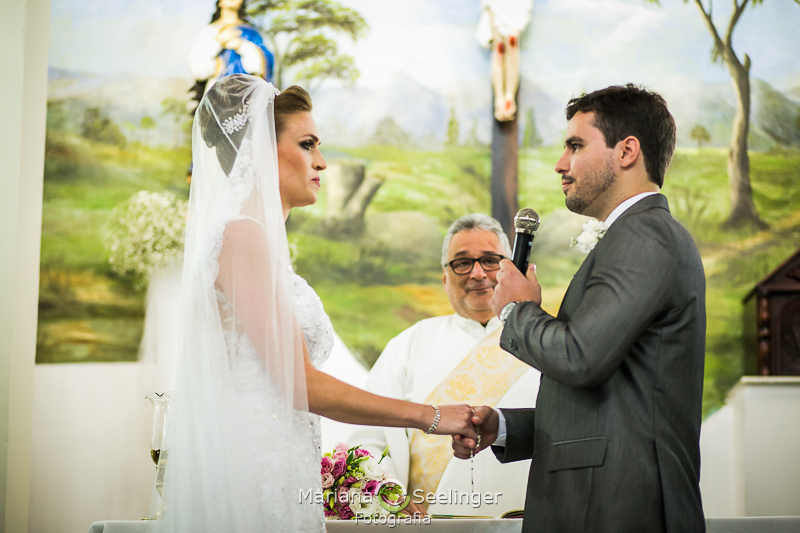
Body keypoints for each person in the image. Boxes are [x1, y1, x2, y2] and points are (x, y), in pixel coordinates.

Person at [156, 74, 477, 532]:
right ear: (263, 149)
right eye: (308, 144)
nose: (321, 163)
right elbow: (301, 385)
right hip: (252, 467)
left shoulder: (254, 237)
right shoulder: (242, 236)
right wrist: (431, 416)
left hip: (281, 455)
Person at [454, 84, 707, 532]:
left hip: (619, 506)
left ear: (627, 150)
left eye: (575, 146)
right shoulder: (637, 234)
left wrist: (516, 311)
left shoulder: (646, 234)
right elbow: (618, 402)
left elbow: (581, 357)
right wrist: (507, 428)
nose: (560, 164)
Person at [348, 214, 541, 517]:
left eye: (490, 260)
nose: (478, 273)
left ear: (509, 269)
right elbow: (371, 436)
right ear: (444, 277)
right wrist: (389, 496)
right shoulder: (408, 345)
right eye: (462, 263)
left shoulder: (544, 340)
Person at [189, 0, 274, 104]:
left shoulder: (251, 32)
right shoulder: (210, 31)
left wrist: (242, 45)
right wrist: (218, 42)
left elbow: (265, 64)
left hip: (248, 95)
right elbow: (198, 68)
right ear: (220, 2)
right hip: (218, 97)